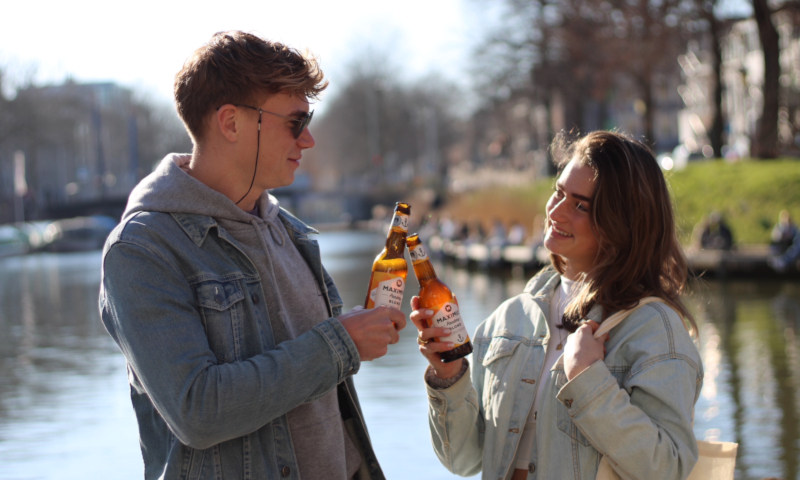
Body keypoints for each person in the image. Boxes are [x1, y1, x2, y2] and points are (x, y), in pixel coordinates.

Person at [99, 31, 406, 480]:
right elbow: (197, 412)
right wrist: (341, 344)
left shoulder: (288, 231)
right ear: (231, 123)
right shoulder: (143, 249)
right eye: (296, 122)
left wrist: (357, 332)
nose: (309, 140)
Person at [411, 131, 703, 480]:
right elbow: (463, 460)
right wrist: (450, 374)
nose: (556, 211)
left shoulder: (655, 329)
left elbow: (667, 469)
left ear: (622, 223)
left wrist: (588, 379)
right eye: (559, 192)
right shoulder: (509, 320)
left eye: (580, 205)